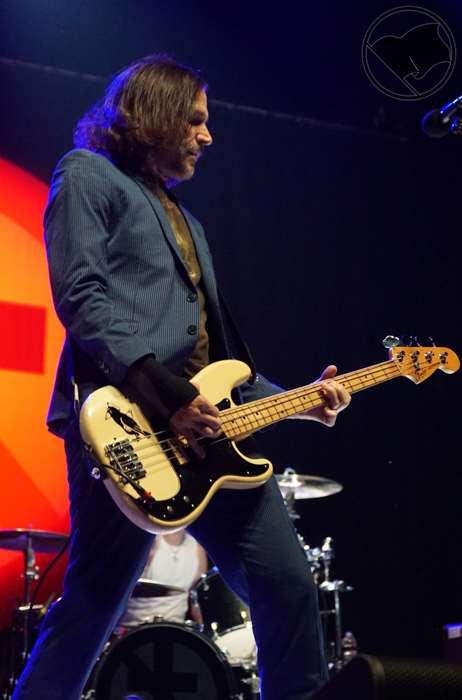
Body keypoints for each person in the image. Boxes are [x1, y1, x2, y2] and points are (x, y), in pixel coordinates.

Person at [11, 54, 350, 700]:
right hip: (125, 422)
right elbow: (82, 297)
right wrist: (170, 401)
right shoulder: (87, 174)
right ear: (156, 113)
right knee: (95, 600)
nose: (207, 136)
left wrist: (304, 401)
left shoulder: (189, 222)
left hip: (208, 439)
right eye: (195, 120)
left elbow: (214, 361)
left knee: (287, 584)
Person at [116, 530, 208, 628]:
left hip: (175, 628)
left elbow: (196, 599)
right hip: (134, 626)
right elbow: (128, 587)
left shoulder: (198, 548)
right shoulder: (148, 539)